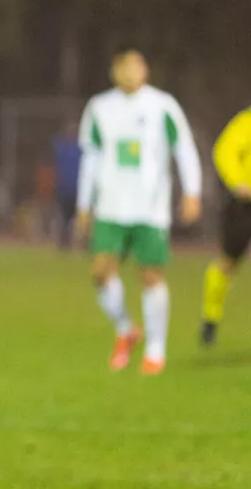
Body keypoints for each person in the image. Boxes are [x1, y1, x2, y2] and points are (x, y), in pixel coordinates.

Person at [75, 47, 201, 375]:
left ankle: (156, 348)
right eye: (125, 66)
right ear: (114, 72)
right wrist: (83, 204)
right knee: (101, 273)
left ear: (145, 70)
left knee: (151, 276)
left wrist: (192, 192)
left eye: (137, 65)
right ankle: (126, 329)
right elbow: (91, 157)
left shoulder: (162, 105)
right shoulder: (99, 107)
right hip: (110, 206)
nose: (132, 71)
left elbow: (183, 147)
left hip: (150, 207)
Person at [199, 107, 251, 346]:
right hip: (244, 205)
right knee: (227, 262)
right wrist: (238, 182)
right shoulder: (247, 121)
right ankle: (211, 316)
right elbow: (225, 150)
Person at [52, 121, 83, 250]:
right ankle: (64, 243)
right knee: (64, 218)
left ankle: (83, 243)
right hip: (64, 190)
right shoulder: (63, 147)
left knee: (80, 219)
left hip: (78, 189)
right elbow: (55, 142)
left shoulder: (81, 148)